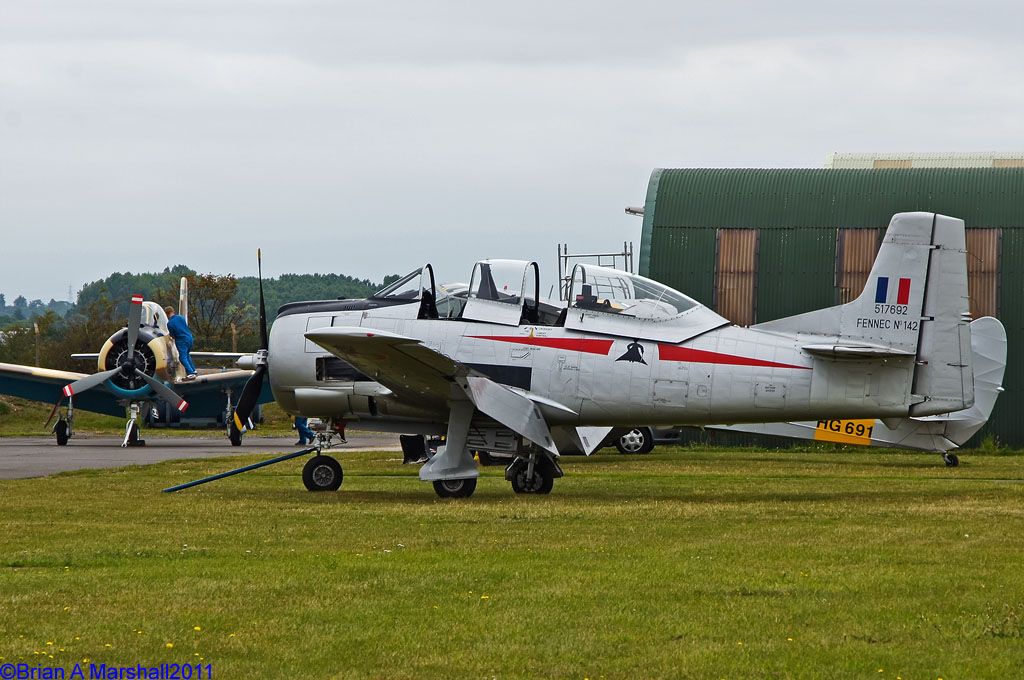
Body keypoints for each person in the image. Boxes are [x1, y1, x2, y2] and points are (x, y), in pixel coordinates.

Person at [164, 306, 197, 380]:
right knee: (187, 355)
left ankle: (191, 373)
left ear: (166, 314)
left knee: (182, 357)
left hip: (181, 340)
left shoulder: (170, 323)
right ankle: (193, 370)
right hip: (190, 338)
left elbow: (172, 335)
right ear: (173, 311)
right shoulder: (181, 317)